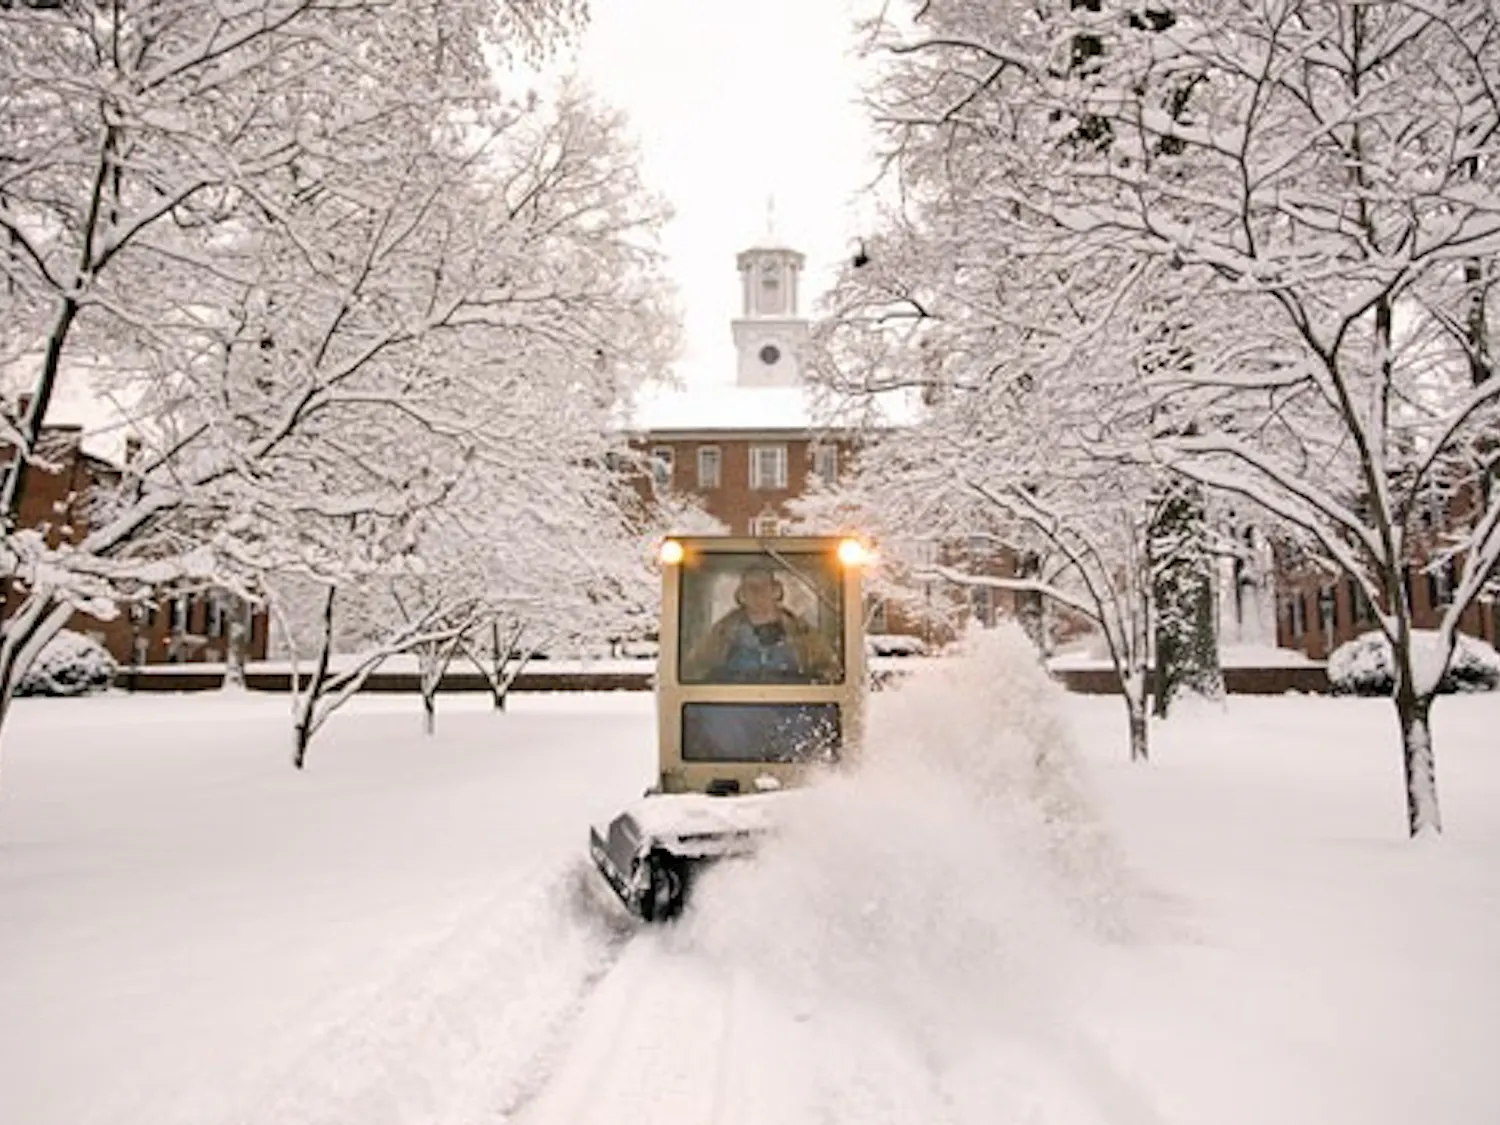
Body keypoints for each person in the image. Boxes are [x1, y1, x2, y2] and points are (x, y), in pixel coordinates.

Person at [684, 565, 839, 683]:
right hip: (732, 718)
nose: (757, 593)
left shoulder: (804, 636)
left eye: (763, 586)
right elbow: (694, 670)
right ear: (741, 595)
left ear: (776, 591)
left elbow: (830, 670)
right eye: (750, 587)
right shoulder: (720, 636)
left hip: (791, 717)